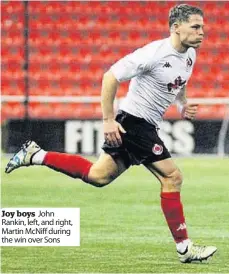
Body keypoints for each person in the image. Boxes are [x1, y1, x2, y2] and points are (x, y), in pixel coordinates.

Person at [5, 4, 217, 263]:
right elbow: (110, 77)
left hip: (141, 124)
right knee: (173, 177)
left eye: (202, 27)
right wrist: (108, 120)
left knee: (99, 176)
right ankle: (185, 248)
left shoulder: (190, 54)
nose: (202, 32)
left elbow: (179, 82)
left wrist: (182, 104)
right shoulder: (153, 53)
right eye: (195, 27)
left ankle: (35, 155)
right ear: (176, 27)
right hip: (135, 122)